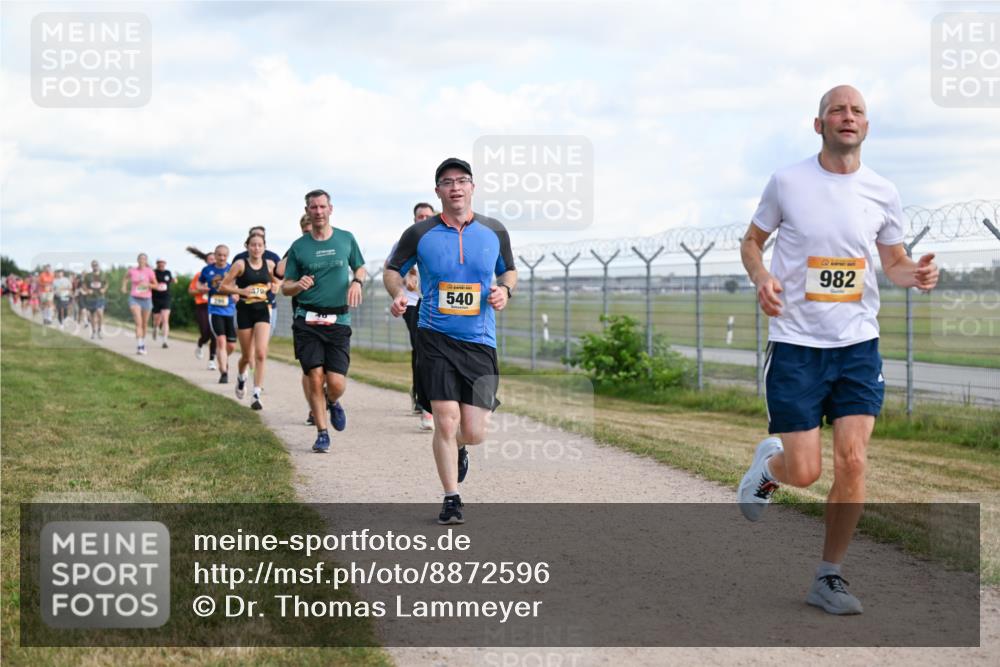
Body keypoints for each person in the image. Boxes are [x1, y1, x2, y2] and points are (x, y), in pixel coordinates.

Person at [737, 85, 940, 615]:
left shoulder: (883, 191)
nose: (847, 116)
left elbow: (893, 263)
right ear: (819, 124)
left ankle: (828, 576)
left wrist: (915, 274)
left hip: (857, 346)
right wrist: (762, 278)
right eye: (837, 110)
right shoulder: (788, 181)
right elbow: (751, 241)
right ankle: (771, 468)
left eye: (856, 111)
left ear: (866, 126)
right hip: (797, 345)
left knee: (853, 460)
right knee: (805, 472)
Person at [385, 158, 517, 525]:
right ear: (438, 191)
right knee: (445, 421)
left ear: (472, 187)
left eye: (462, 181)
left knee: (473, 432)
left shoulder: (494, 230)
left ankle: (460, 447)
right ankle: (451, 498)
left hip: (479, 341)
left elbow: (509, 269)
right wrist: (398, 294)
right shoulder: (420, 233)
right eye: (447, 182)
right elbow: (392, 269)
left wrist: (504, 290)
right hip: (435, 337)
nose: (455, 187)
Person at [281, 189, 366, 453]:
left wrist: (357, 281)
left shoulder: (345, 238)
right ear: (307, 211)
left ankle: (333, 401)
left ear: (330, 209)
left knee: (336, 382)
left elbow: (360, 266)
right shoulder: (299, 246)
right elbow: (285, 286)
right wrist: (298, 285)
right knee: (315, 376)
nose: (318, 212)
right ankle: (321, 432)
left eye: (322, 206)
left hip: (338, 319)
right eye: (313, 207)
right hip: (306, 320)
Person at [221, 232, 276, 409]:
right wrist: (241, 291)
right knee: (247, 356)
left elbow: (279, 281)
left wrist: (274, 286)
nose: (256, 248)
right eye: (253, 245)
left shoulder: (270, 264)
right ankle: (241, 377)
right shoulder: (240, 264)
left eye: (260, 245)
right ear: (247, 246)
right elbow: (223, 286)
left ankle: (256, 394)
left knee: (261, 353)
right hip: (244, 311)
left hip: (263, 311)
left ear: (264, 247)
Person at [198, 245, 237, 383]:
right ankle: (224, 372)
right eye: (219, 255)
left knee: (231, 346)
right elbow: (199, 284)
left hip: (230, 310)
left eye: (224, 255)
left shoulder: (233, 268)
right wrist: (202, 288)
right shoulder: (207, 270)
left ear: (228, 256)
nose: (222, 258)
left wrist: (236, 294)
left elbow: (238, 285)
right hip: (214, 310)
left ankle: (223, 358)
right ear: (215, 255)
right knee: (221, 341)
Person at [186, 247, 219, 369]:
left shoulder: (221, 275)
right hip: (202, 306)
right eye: (210, 259)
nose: (213, 261)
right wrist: (201, 290)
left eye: (214, 258)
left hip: (216, 305)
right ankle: (200, 344)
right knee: (205, 333)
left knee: (214, 333)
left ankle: (212, 360)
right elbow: (190, 291)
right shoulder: (200, 275)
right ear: (206, 261)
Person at [121, 253, 157, 354]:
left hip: (146, 299)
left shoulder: (149, 271)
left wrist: (148, 284)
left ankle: (143, 343)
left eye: (144, 259)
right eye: (140, 258)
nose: (142, 260)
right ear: (137, 260)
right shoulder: (132, 270)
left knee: (144, 324)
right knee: (138, 322)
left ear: (146, 261)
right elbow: (125, 278)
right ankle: (140, 346)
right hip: (134, 298)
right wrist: (124, 286)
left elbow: (156, 285)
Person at [81, 260, 108, 339]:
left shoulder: (103, 275)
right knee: (92, 315)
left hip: (100, 297)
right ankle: (93, 331)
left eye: (96, 265)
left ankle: (99, 330)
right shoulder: (88, 276)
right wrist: (87, 290)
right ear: (91, 266)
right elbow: (84, 284)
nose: (95, 266)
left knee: (100, 313)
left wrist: (104, 289)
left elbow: (106, 283)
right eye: (93, 265)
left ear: (98, 265)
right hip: (91, 298)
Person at [152, 258, 174, 348]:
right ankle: (155, 328)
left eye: (163, 263)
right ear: (157, 264)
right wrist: (156, 286)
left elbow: (170, 280)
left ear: (165, 264)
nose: (161, 264)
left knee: (165, 319)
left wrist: (174, 280)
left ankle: (165, 341)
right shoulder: (153, 272)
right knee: (157, 320)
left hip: (166, 298)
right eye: (159, 263)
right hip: (155, 298)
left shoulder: (168, 272)